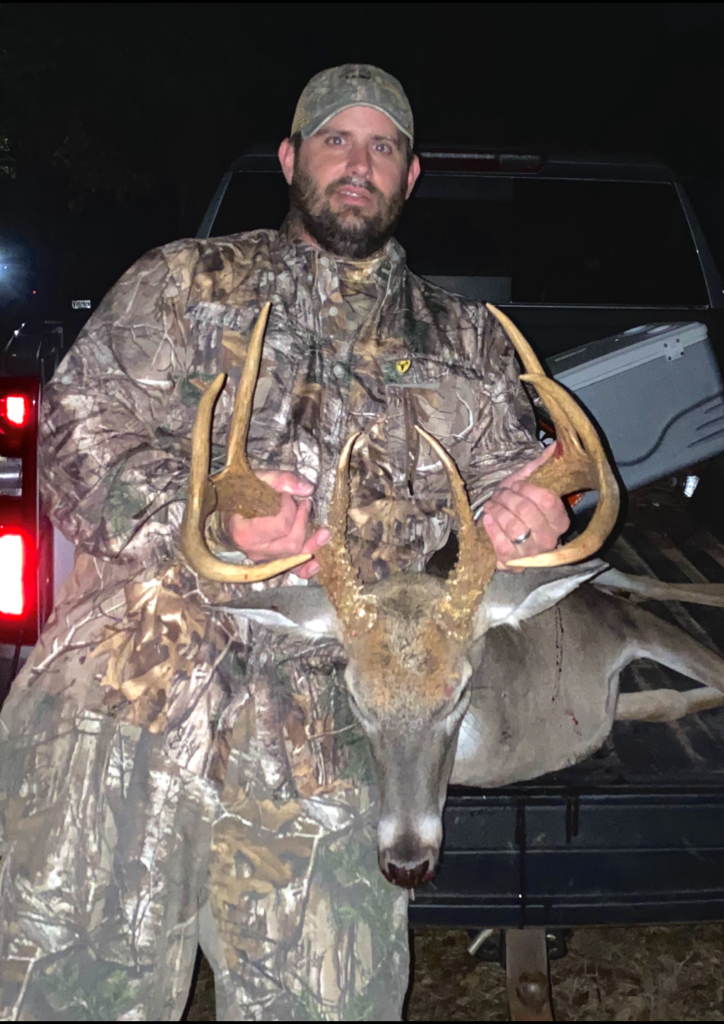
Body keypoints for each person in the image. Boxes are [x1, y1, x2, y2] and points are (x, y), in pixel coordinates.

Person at [0, 65, 569, 1021]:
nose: (359, 163)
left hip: (329, 744)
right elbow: (72, 431)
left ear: (410, 175)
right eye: (336, 139)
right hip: (124, 714)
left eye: (383, 146)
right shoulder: (183, 284)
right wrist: (208, 516)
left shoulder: (465, 340)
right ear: (290, 158)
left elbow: (522, 480)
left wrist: (533, 515)